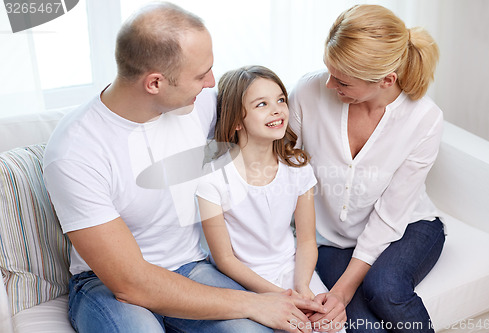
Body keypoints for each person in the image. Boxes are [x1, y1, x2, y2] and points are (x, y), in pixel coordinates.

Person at [43, 3, 324, 333]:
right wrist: (254, 302)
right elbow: (131, 283)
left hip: (191, 267)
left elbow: (261, 110)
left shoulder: (199, 103)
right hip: (106, 286)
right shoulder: (75, 151)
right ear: (155, 83)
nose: (211, 82)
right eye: (201, 74)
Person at [288, 4, 445, 333]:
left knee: (384, 290)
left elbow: (391, 214)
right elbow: (284, 167)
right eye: (329, 71)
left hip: (408, 225)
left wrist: (343, 290)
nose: (330, 85)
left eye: (343, 81)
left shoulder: (423, 119)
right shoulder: (308, 92)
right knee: (361, 324)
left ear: (387, 80)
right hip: (331, 237)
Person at [196, 66, 346, 333]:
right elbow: (225, 260)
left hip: (295, 272)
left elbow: (307, 240)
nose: (277, 110)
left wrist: (301, 288)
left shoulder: (298, 167)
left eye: (280, 100)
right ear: (237, 121)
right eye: (261, 104)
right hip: (246, 283)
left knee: (327, 327)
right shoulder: (212, 180)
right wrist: (281, 296)